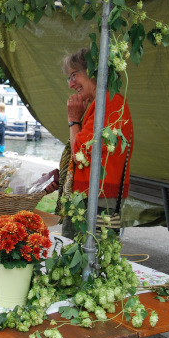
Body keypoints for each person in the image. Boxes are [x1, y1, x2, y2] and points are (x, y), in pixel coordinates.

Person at [48, 48, 134, 239]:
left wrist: (73, 120)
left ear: (93, 71)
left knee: (92, 252)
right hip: (95, 196)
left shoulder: (110, 103)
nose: (71, 84)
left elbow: (79, 153)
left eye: (73, 76)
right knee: (93, 250)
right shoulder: (103, 103)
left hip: (98, 199)